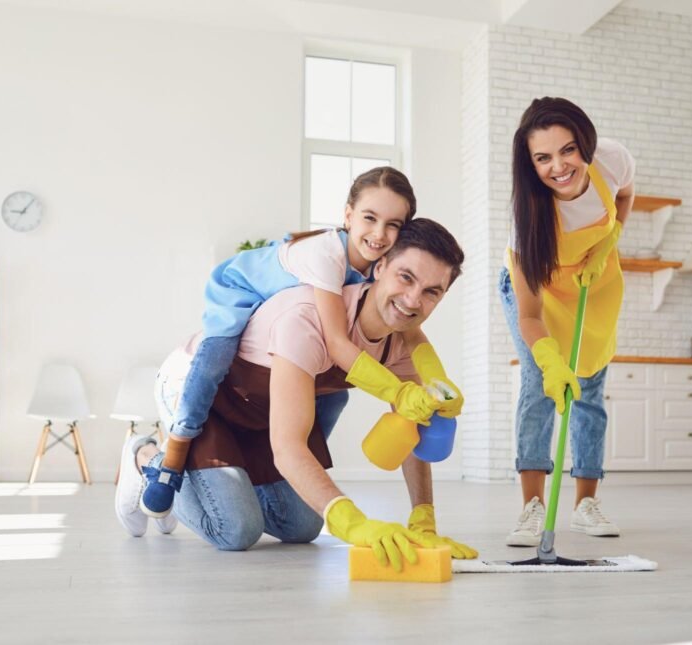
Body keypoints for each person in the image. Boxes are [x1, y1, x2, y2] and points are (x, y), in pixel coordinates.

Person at [115, 218, 476, 570]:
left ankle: (218, 484)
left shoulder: (402, 346)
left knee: (302, 526)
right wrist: (353, 523)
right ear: (379, 267)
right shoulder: (307, 318)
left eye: (432, 292)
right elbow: (288, 447)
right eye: (406, 277)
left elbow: (413, 425)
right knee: (236, 530)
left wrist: (423, 519)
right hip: (204, 397)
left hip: (262, 411)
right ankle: (145, 459)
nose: (413, 300)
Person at [140, 167, 461, 519]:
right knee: (215, 358)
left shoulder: (374, 269)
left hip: (260, 399)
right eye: (370, 218)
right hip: (234, 297)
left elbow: (412, 337)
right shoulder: (325, 263)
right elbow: (337, 342)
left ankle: (260, 477)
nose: (379, 233)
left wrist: (437, 387)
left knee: (333, 400)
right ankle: (163, 459)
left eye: (393, 224)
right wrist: (397, 393)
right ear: (348, 215)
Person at [500, 96, 635, 546]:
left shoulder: (612, 160)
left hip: (593, 281)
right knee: (540, 386)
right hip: (537, 292)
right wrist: (549, 360)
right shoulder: (526, 218)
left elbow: (626, 194)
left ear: (585, 144)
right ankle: (532, 508)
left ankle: (585, 506)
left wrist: (610, 241)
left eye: (568, 150)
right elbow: (529, 313)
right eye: (543, 158)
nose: (558, 167)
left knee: (590, 389)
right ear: (530, 163)